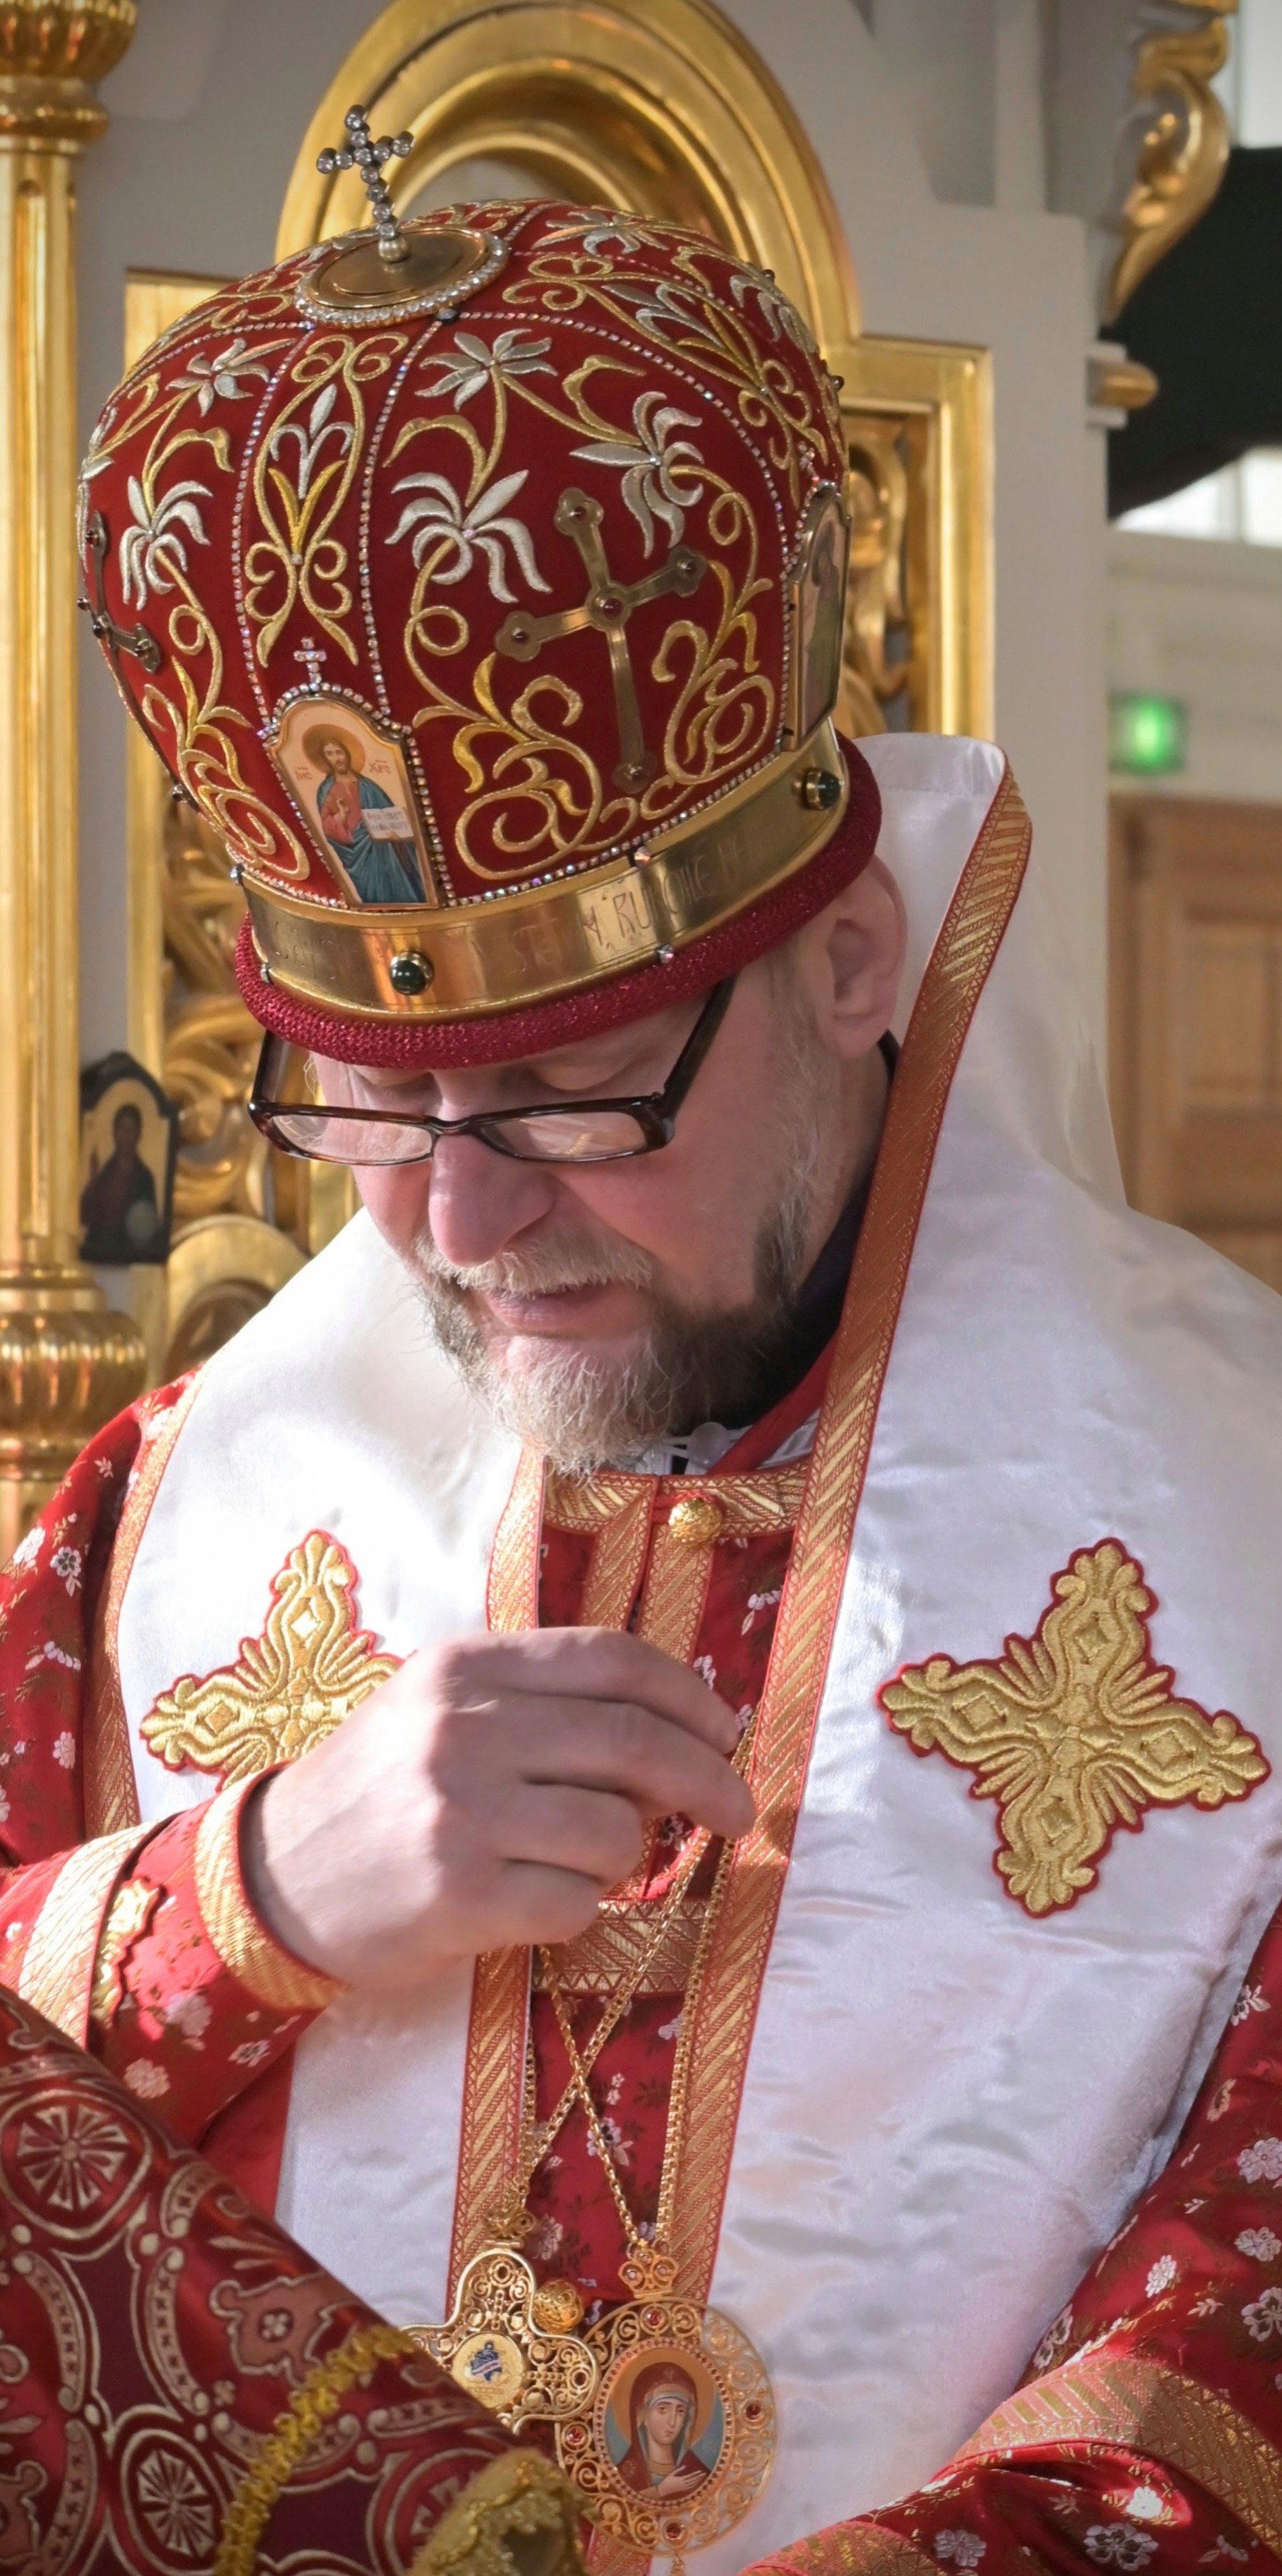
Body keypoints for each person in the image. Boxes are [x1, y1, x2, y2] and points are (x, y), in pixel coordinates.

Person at [13, 176, 1282, 2571]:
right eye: (370, 1107)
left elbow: (1237, 2374)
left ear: (848, 960)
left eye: (572, 1088)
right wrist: (239, 1889)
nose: (462, 1221)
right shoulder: (169, 1514)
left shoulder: (1255, 1529)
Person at [306, 726, 427, 904]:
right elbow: (327, 826)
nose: (336, 758)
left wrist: (399, 835)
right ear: (325, 759)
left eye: (339, 752)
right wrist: (342, 815)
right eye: (330, 754)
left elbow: (391, 818)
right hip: (357, 855)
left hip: (385, 853)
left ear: (347, 754)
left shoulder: (369, 787)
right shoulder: (326, 790)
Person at [78, 1098, 160, 1262]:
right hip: (98, 1256)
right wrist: (93, 1179)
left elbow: (148, 1226)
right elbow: (85, 1216)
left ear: (139, 1134)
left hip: (127, 1257)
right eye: (122, 1128)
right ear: (115, 1133)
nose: (125, 1135)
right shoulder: (106, 1174)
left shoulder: (144, 1177)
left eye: (131, 1129)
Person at [614, 2362, 712, 2497]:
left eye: (680, 2411)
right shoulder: (623, 2475)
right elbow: (616, 2511)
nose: (672, 2422)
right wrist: (660, 2491)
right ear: (643, 2416)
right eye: (663, 2409)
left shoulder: (697, 2474)